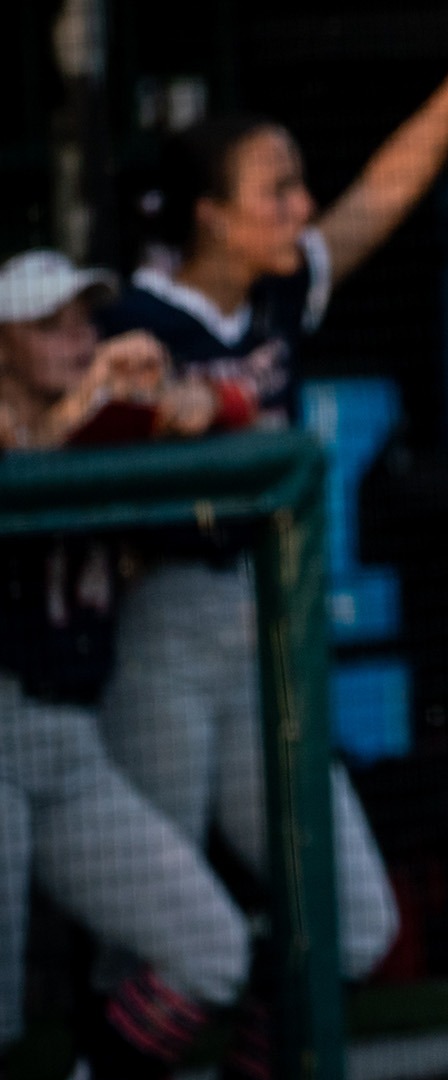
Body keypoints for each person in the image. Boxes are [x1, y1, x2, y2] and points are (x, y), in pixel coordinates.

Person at [88, 0, 448, 1055]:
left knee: (352, 925)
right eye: (274, 191)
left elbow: (382, 193)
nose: (301, 207)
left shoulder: (276, 296)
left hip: (265, 637)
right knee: (153, 932)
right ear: (208, 216)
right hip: (156, 635)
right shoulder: (125, 323)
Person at [0, 248, 253, 1078]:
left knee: (210, 951)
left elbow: (240, 411)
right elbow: (28, 449)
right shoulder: (35, 415)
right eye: (48, 326)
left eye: (83, 321)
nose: (76, 339)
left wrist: (179, 393)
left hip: (70, 747)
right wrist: (93, 394)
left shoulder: (100, 413)